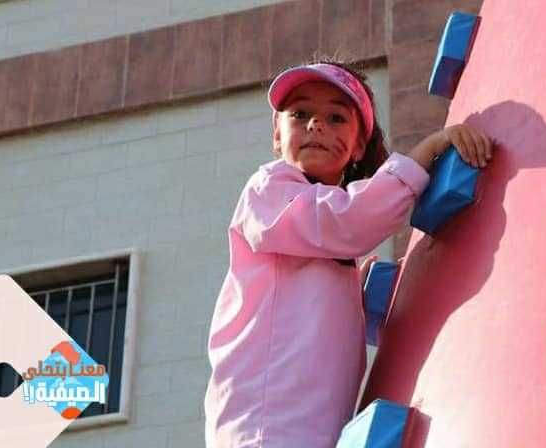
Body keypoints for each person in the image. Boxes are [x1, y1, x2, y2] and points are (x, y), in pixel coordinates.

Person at [203, 59, 494, 448]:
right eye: (300, 114)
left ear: (358, 145)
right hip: (266, 427)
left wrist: (354, 294)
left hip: (305, 429)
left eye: (336, 118)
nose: (316, 124)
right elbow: (348, 219)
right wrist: (425, 153)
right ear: (277, 134)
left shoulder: (320, 229)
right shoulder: (268, 189)